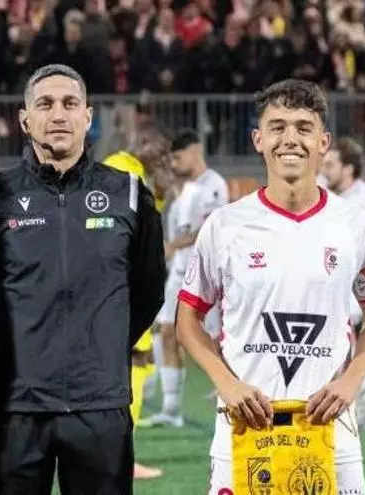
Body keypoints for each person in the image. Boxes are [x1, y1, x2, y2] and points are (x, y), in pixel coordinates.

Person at [0, 63, 166, 495]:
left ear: (88, 116)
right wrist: (17, 354)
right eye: (45, 104)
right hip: (14, 410)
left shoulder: (128, 194)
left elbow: (149, 290)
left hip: (100, 407)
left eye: (70, 104)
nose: (58, 115)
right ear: (24, 119)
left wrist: (102, 345)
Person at [177, 79, 365, 494]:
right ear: (258, 139)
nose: (290, 138)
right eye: (277, 127)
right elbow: (188, 321)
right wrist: (227, 384)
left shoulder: (354, 225)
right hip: (243, 428)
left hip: (332, 429)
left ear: (323, 142)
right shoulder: (225, 225)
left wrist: (351, 381)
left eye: (303, 127)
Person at [100, 119, 175, 480]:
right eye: (158, 149)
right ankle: (119, 456)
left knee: (140, 361)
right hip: (119, 282)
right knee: (132, 361)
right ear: (143, 142)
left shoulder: (140, 173)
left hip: (131, 282)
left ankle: (118, 452)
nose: (162, 156)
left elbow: (150, 219)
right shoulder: (120, 166)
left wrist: (161, 185)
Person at [141, 129, 228, 429]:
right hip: (180, 271)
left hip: (206, 274)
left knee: (214, 342)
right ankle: (171, 409)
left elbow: (208, 229)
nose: (175, 164)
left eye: (178, 157)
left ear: (195, 151)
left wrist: (172, 246)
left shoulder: (213, 184)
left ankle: (231, 393)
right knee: (166, 331)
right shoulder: (184, 192)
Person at [320, 136, 365, 430]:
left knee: (337, 334)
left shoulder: (363, 200)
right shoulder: (331, 191)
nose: (323, 171)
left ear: (347, 169)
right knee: (337, 338)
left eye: (330, 165)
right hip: (347, 278)